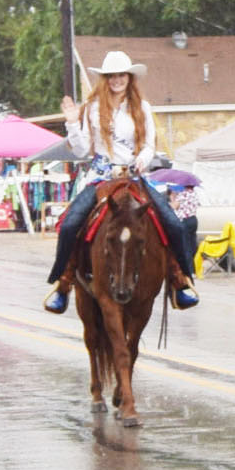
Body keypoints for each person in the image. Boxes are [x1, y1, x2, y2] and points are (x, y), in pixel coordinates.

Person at [43, 51, 199, 313]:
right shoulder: (92, 109)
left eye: (121, 75)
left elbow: (150, 145)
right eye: (111, 75)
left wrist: (143, 159)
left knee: (173, 223)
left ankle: (179, 280)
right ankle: (63, 283)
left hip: (134, 177)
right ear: (105, 79)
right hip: (101, 178)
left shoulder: (142, 108)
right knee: (70, 224)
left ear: (129, 77)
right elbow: (81, 150)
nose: (116, 80)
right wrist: (72, 123)